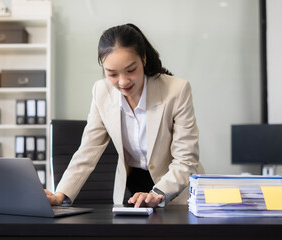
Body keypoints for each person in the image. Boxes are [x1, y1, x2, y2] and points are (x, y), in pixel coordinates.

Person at [45, 23, 204, 208]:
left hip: (174, 193)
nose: (123, 81)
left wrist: (157, 193)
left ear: (143, 59)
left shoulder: (176, 90)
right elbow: (87, 150)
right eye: (112, 74)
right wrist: (60, 195)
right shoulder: (101, 91)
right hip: (129, 192)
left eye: (131, 70)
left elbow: (186, 160)